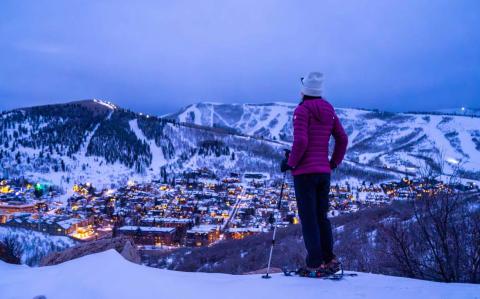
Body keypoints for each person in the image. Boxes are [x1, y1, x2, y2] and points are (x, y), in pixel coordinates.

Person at [281, 71, 348, 274]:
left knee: (309, 220)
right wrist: (333, 163)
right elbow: (342, 138)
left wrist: (290, 163)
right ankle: (329, 259)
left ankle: (314, 263)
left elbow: (301, 141)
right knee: (321, 217)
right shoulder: (328, 109)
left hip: (304, 174)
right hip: (323, 172)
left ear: (303, 90)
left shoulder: (301, 110)